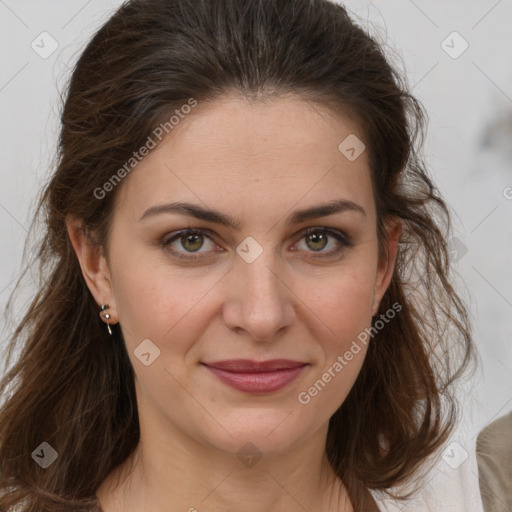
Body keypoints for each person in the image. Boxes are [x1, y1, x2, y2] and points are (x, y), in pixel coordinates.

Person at [0, 0, 475, 510]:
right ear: (96, 264)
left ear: (383, 263)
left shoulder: (484, 493)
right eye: (192, 241)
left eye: (319, 239)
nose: (262, 315)